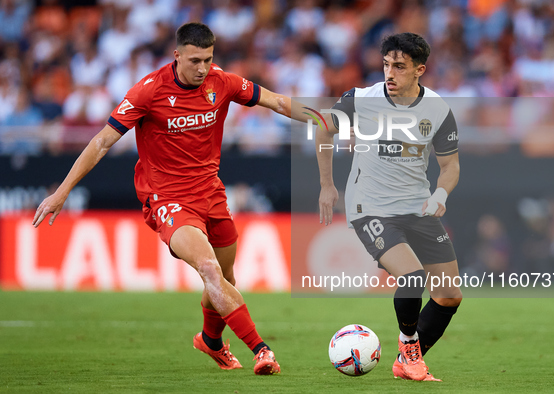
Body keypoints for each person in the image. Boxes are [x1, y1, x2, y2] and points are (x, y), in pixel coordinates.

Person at [32, 22, 296, 375]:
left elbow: (277, 101)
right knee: (208, 267)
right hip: (168, 199)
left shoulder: (223, 82)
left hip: (211, 193)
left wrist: (326, 117)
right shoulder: (148, 91)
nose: (202, 69)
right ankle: (261, 350)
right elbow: (101, 142)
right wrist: (62, 191)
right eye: (194, 61)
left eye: (207, 60)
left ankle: (211, 341)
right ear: (177, 56)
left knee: (225, 277)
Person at [315, 33, 462, 382]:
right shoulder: (361, 99)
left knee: (449, 295)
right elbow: (323, 129)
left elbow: (450, 166)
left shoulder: (438, 109)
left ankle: (404, 360)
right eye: (386, 65)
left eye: (399, 66)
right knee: (412, 278)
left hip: (418, 206)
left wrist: (441, 195)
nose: (390, 73)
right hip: (371, 208)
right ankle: (410, 352)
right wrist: (327, 185)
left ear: (420, 70)